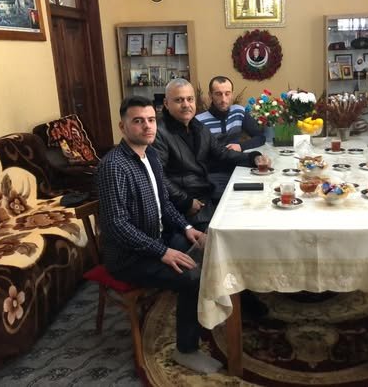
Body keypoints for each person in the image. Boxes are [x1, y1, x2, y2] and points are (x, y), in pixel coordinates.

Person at [97, 96, 222, 374]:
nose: (147, 126)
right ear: (122, 126)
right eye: (138, 121)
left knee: (210, 248)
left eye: (151, 120)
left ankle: (205, 317)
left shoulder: (150, 154)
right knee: (192, 277)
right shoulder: (113, 166)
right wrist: (163, 252)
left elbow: (163, 203)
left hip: (157, 239)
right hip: (128, 257)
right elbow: (117, 225)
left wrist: (187, 229)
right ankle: (186, 350)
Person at [153, 78, 265, 231]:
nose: (186, 104)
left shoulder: (198, 127)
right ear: (166, 103)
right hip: (184, 206)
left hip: (205, 194)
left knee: (251, 214)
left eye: (190, 99)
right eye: (179, 100)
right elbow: (157, 176)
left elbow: (222, 153)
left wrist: (253, 158)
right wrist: (185, 201)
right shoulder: (158, 133)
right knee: (229, 233)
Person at [195, 76, 265, 197]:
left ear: (232, 94)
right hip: (215, 174)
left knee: (261, 190)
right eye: (218, 94)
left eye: (227, 94)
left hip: (239, 166)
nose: (224, 99)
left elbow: (260, 137)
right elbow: (202, 159)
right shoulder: (199, 121)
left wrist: (240, 146)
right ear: (210, 95)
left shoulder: (238, 112)